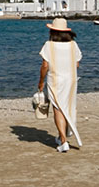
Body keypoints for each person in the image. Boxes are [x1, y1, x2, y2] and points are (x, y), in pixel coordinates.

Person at [36, 17, 83, 152]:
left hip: (56, 80)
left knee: (58, 108)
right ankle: (64, 136)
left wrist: (40, 82)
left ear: (53, 32)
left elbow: (45, 66)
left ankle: (63, 140)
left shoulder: (49, 45)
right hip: (71, 80)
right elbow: (77, 64)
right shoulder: (73, 44)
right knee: (68, 107)